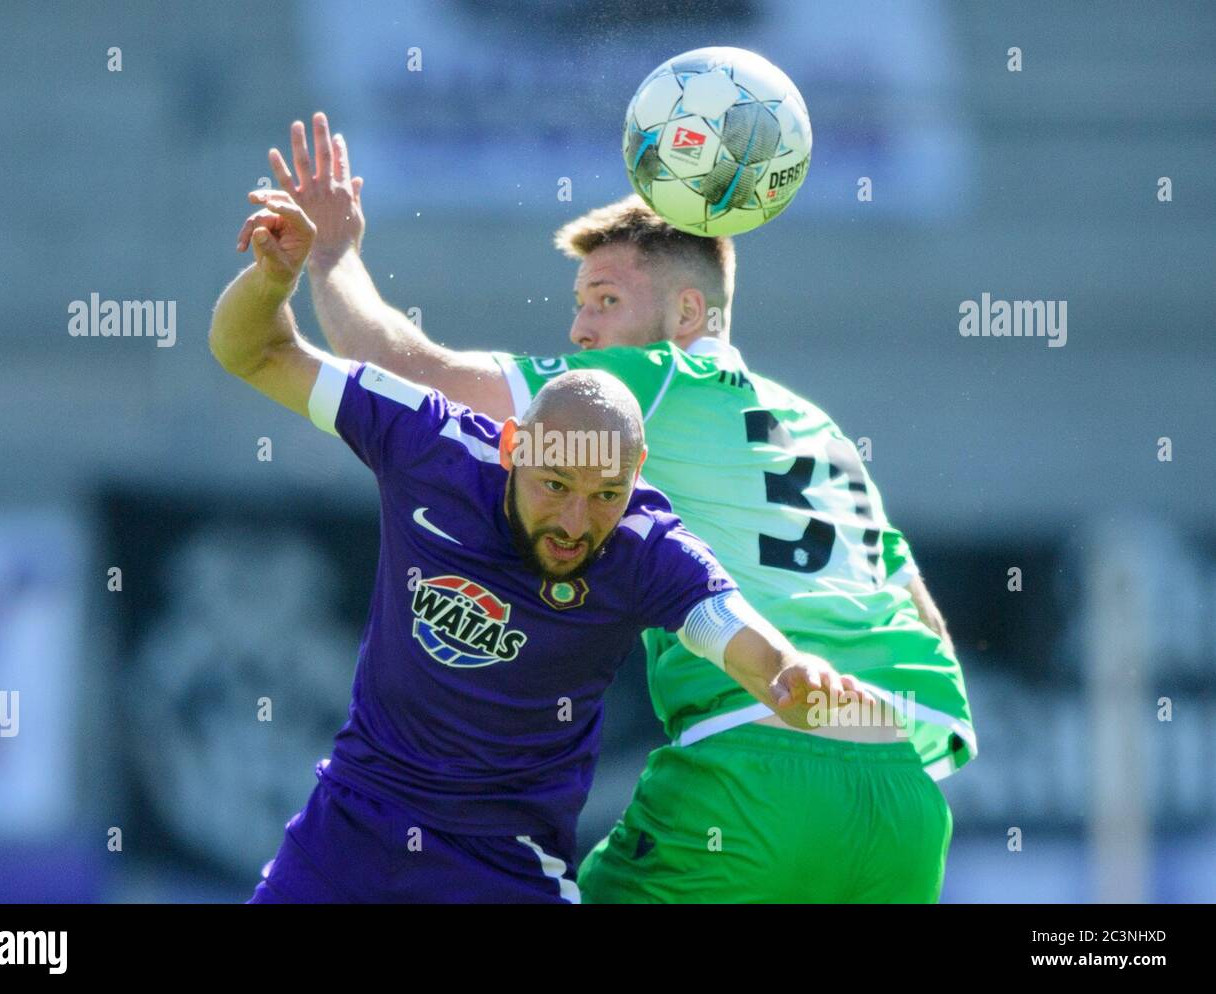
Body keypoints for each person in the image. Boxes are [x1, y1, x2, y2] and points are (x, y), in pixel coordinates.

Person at [251, 111, 977, 903]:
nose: (580, 329)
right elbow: (923, 621)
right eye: (578, 303)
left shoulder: (647, 385)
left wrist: (332, 255)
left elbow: (400, 365)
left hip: (753, 768)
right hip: (904, 794)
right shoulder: (820, 429)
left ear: (689, 317)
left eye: (603, 299)